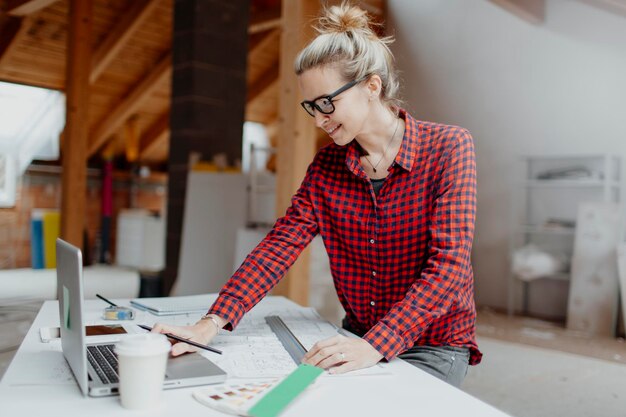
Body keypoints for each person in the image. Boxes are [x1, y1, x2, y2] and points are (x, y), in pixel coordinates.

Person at [153, 2, 481, 388]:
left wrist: (377, 344)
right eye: (311, 106)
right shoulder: (327, 166)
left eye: (328, 103)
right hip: (358, 336)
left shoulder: (449, 147)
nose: (319, 119)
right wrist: (211, 323)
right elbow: (280, 246)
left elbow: (450, 266)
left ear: (371, 87)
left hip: (433, 344)